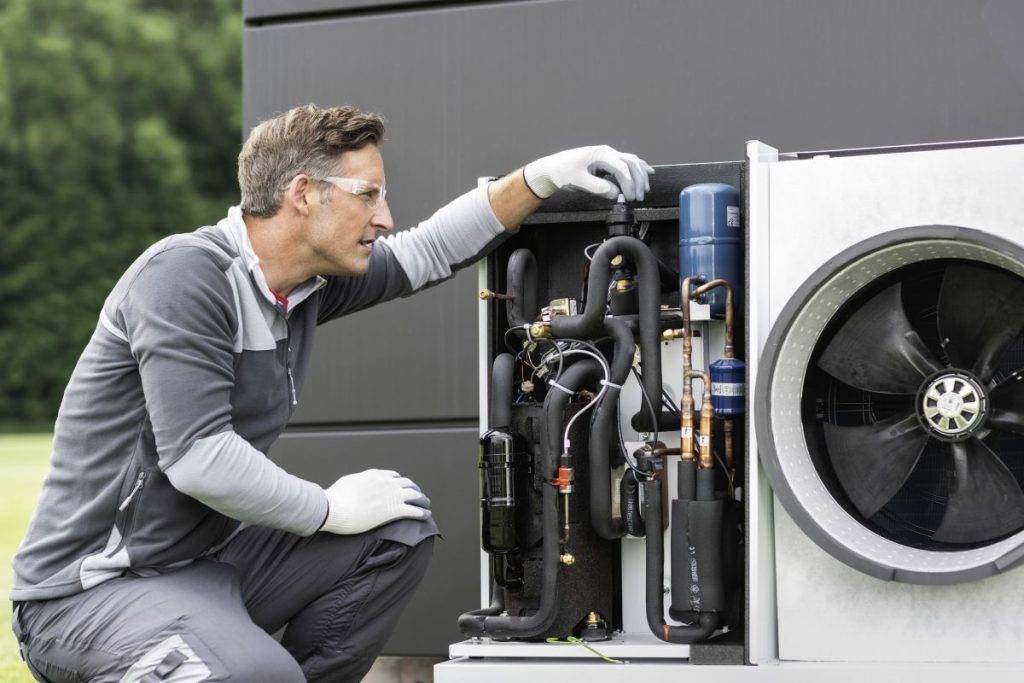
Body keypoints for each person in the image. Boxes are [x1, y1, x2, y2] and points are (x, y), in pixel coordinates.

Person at [9, 103, 653, 682]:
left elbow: (425, 251)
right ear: (302, 194)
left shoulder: (302, 286)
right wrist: (326, 509)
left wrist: (535, 179)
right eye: (367, 194)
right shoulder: (185, 276)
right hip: (89, 594)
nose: (384, 215)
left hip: (199, 568)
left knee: (396, 529)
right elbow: (199, 456)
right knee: (256, 676)